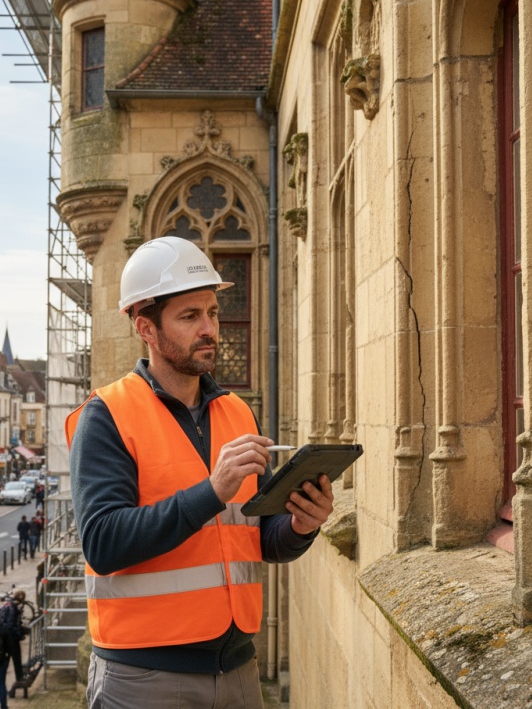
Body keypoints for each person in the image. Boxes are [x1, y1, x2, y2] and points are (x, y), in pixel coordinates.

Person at [67, 237, 334, 709]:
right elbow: (104, 543)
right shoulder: (105, 416)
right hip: (143, 677)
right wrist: (212, 490)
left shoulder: (235, 412)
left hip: (237, 670)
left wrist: (299, 525)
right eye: (190, 317)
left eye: (212, 312)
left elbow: (255, 539)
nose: (210, 328)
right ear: (145, 327)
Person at [0, 590, 26, 686]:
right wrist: (19, 633)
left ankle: (1, 679)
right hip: (12, 638)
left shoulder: (7, 605)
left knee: (6, 660)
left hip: (5, 637)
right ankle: (19, 678)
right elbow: (10, 624)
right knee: (16, 659)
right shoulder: (13, 608)